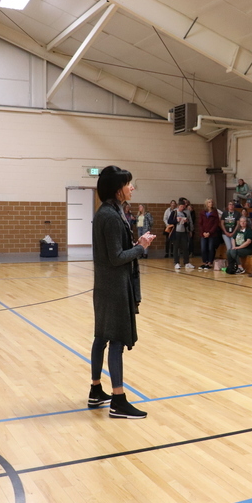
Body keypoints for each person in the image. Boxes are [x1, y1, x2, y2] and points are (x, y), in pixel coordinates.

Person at [88, 165, 155, 419]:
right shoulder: (111, 216)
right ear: (118, 190)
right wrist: (142, 247)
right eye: (129, 184)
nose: (132, 187)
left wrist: (136, 244)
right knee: (115, 341)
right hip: (114, 286)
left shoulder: (108, 211)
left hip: (106, 285)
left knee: (101, 337)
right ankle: (118, 400)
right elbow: (116, 257)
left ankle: (96, 390)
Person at [197, 199, 221, 271]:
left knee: (211, 248)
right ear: (206, 204)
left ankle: (210, 262)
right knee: (203, 248)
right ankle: (205, 262)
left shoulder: (215, 212)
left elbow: (215, 224)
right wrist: (203, 232)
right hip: (203, 233)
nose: (211, 203)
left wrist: (209, 232)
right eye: (209, 202)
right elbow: (200, 223)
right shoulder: (202, 212)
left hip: (212, 234)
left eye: (212, 202)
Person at [172, 200, 194, 270]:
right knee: (176, 247)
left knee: (185, 247)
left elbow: (187, 224)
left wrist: (186, 221)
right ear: (178, 206)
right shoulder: (174, 212)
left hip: (183, 232)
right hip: (176, 232)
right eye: (181, 206)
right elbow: (170, 221)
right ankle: (176, 262)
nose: (182, 208)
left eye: (183, 207)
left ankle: (186, 262)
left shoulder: (184, 213)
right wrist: (176, 220)